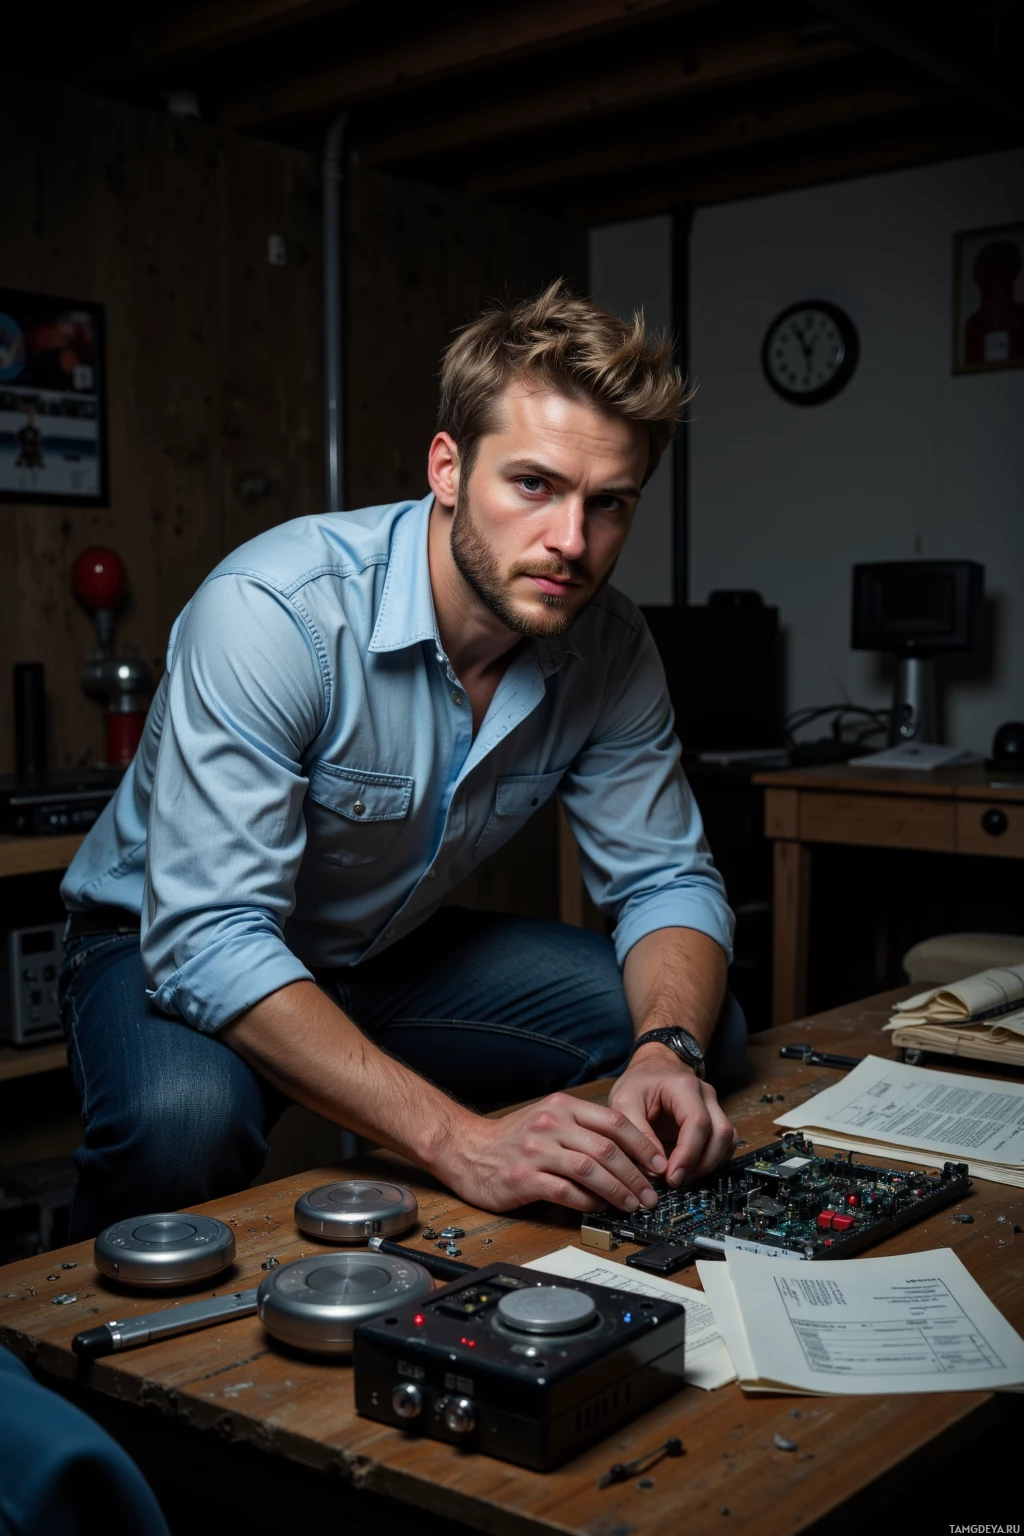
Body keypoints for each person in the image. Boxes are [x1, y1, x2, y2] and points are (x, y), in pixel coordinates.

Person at [60, 281, 745, 1242]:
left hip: (378, 947)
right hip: (156, 940)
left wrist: (666, 1049)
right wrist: (461, 1143)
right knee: (183, 1125)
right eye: (535, 485)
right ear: (449, 468)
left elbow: (666, 877)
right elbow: (210, 936)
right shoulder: (274, 611)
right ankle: (54, 1348)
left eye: (610, 504)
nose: (571, 543)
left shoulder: (611, 646)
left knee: (701, 1039)